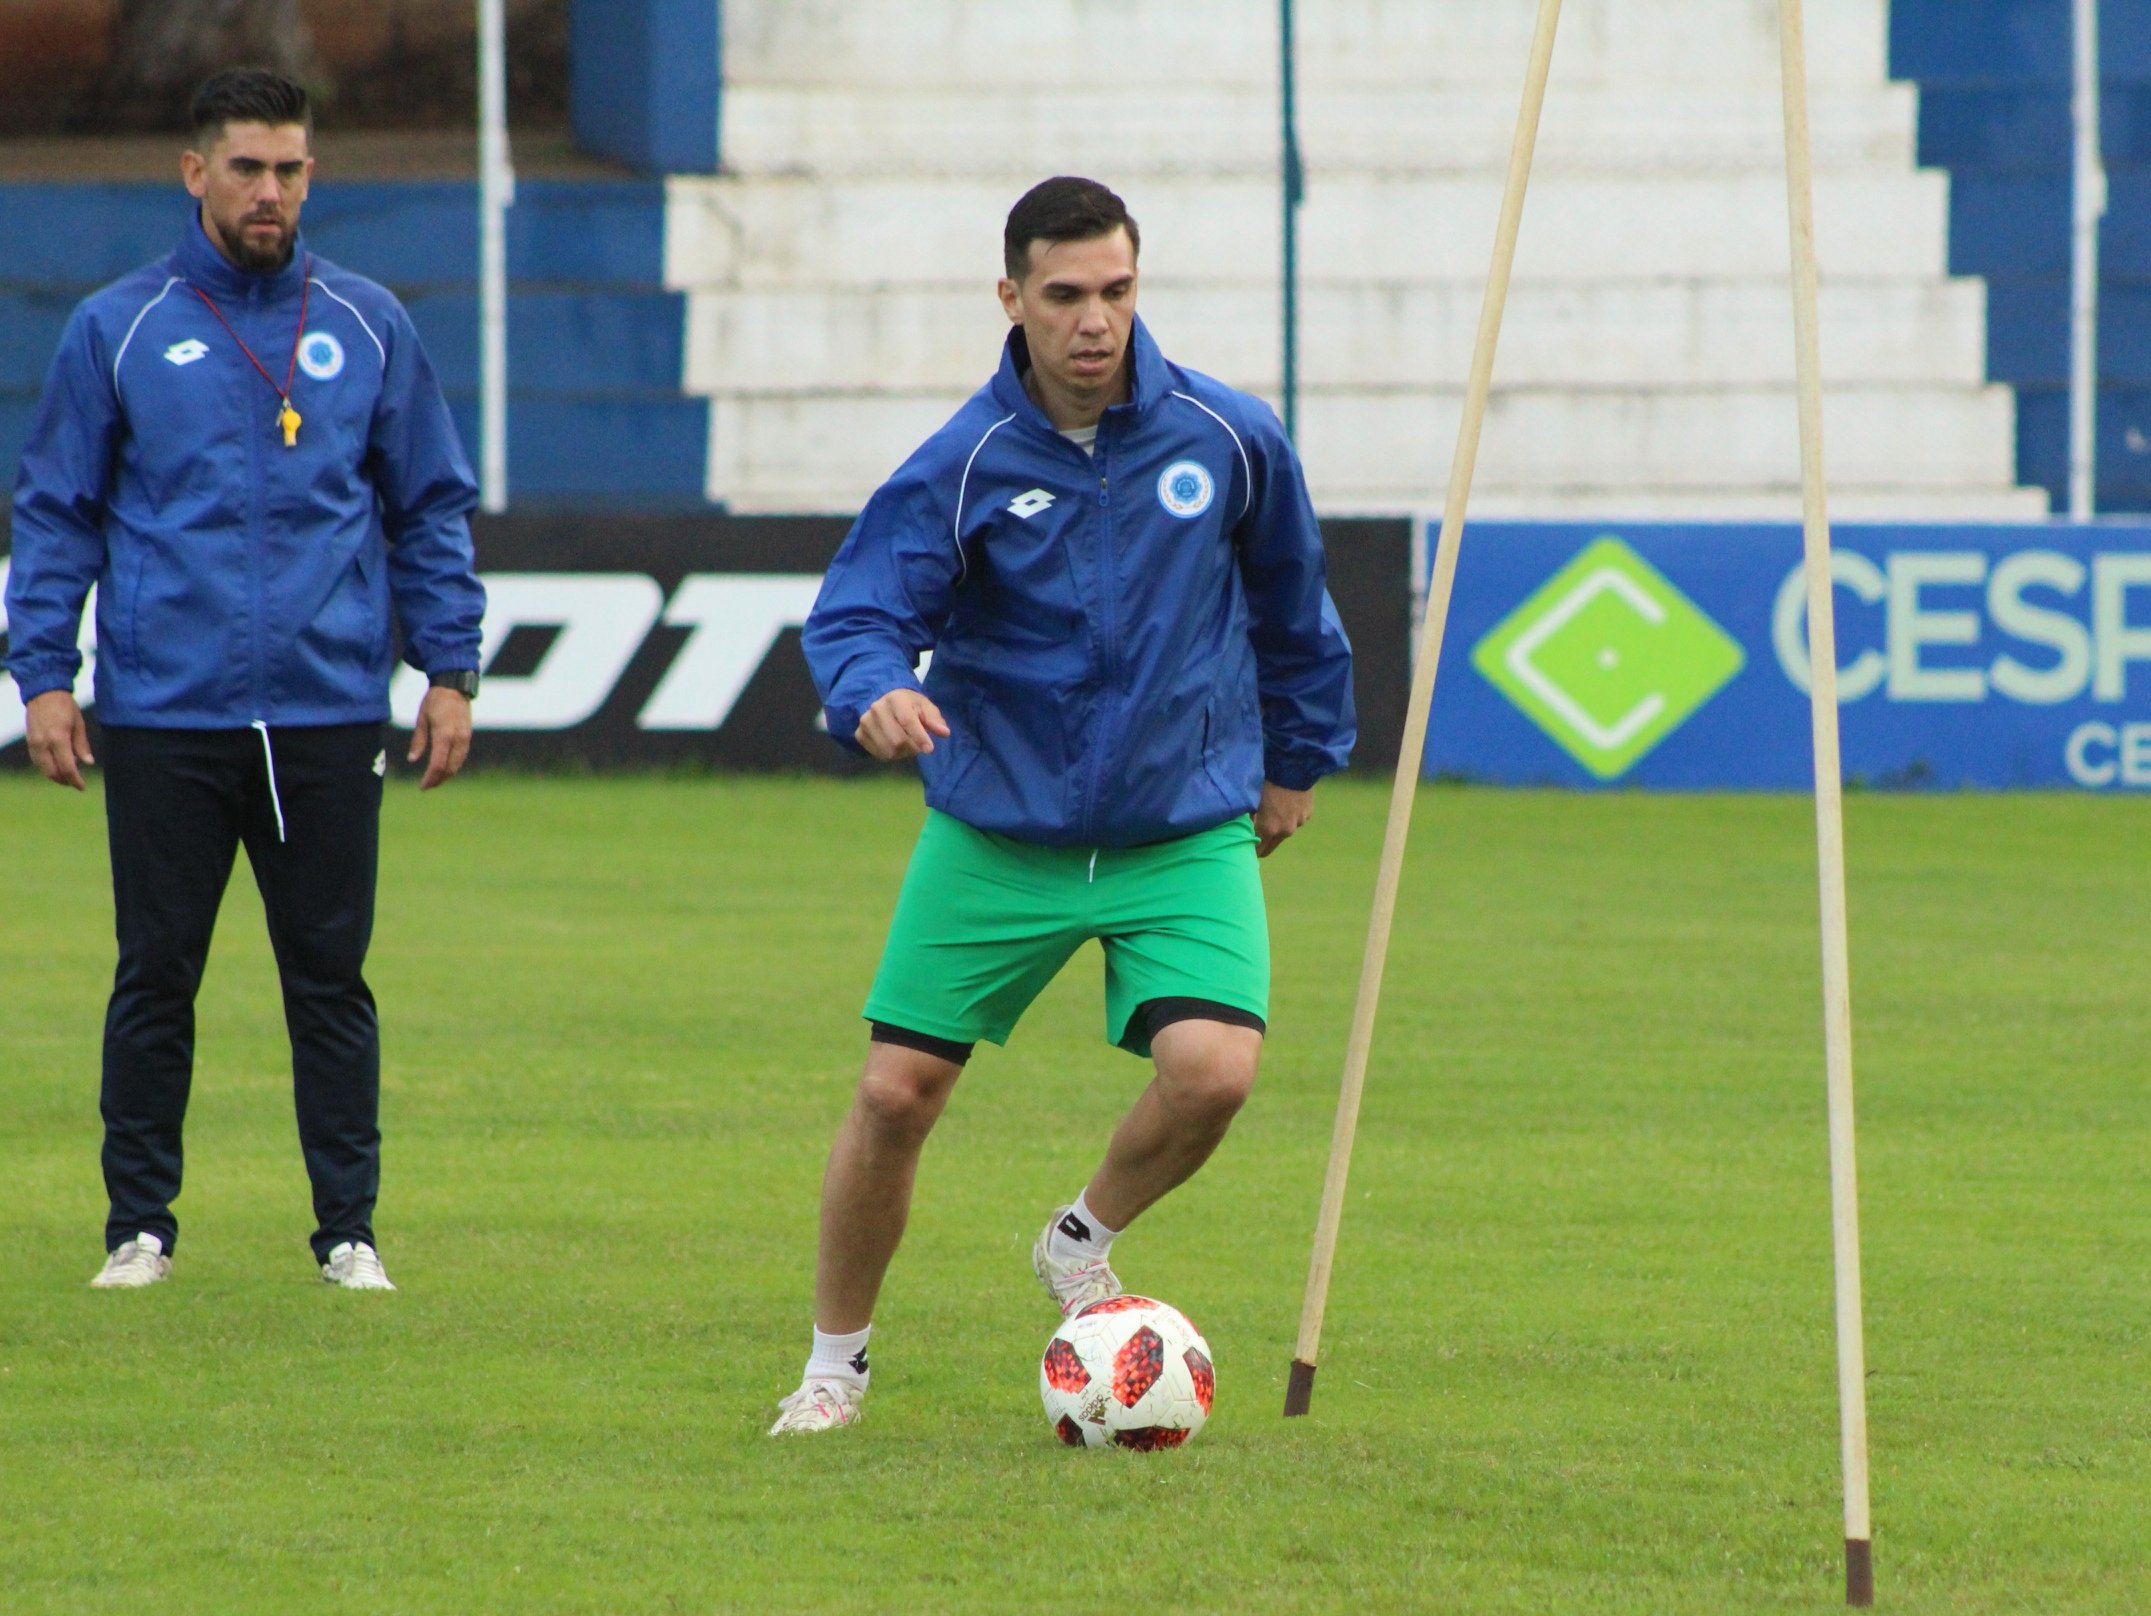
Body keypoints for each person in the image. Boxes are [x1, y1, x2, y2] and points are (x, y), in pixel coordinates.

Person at [771, 176, 1355, 1433]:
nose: (1097, 321)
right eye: (1067, 295)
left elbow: (1297, 610)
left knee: (1214, 1073)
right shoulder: (964, 460)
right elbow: (860, 611)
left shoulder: (1229, 436)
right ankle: (834, 1365)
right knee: (893, 1097)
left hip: (1179, 823)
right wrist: (871, 689)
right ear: (1013, 299)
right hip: (1001, 828)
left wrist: (1297, 759)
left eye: (1118, 291)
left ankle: (1080, 1237)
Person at [6, 68, 486, 1292]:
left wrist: (450, 667)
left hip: (327, 709)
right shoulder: (117, 327)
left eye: (291, 169)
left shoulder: (369, 320)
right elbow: (57, 512)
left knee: (329, 982)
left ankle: (349, 1229)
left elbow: (428, 505)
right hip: (165, 710)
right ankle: (139, 1227)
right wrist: (43, 674)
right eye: (248, 168)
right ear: (196, 172)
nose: (270, 192)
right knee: (155, 972)